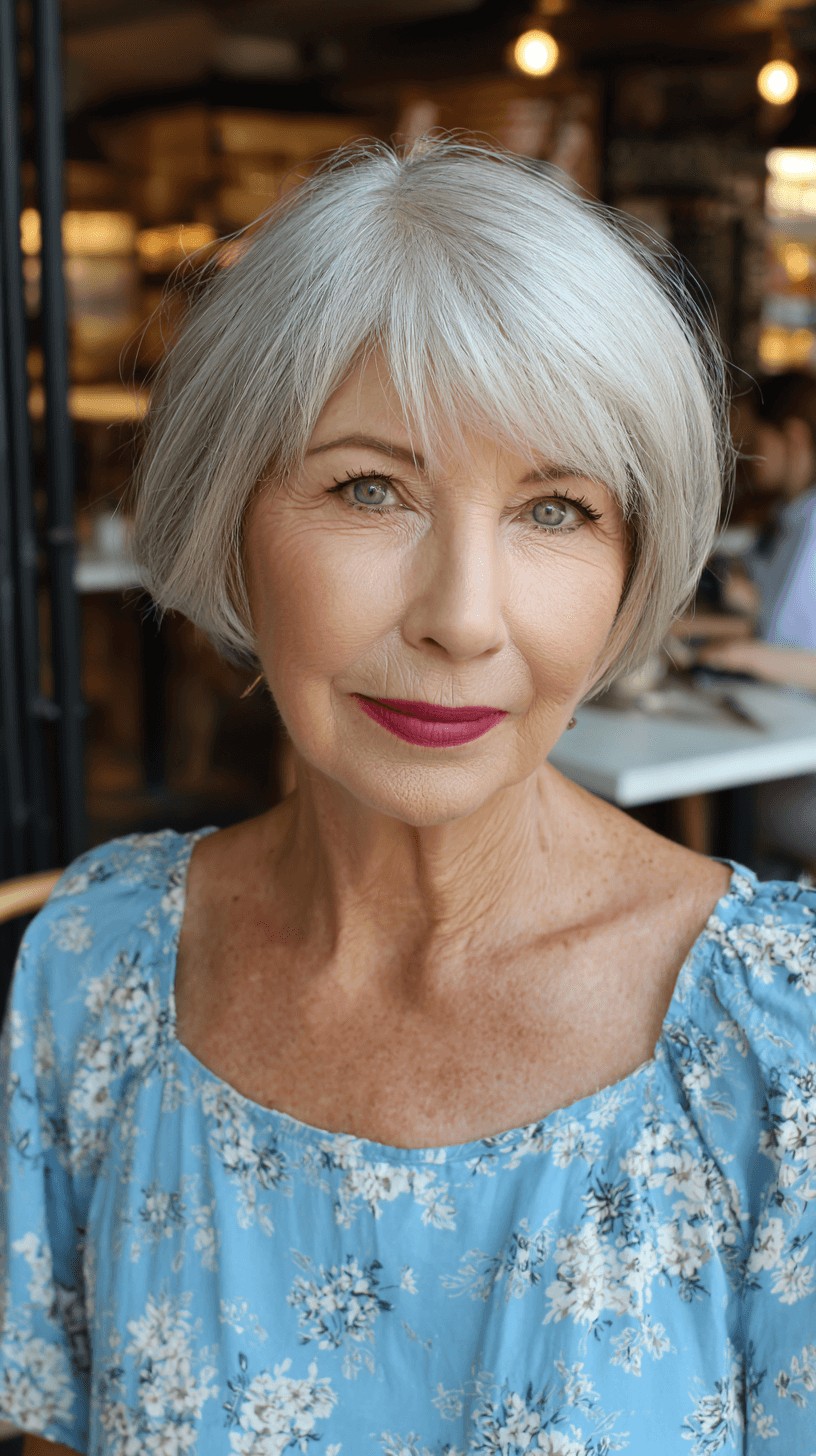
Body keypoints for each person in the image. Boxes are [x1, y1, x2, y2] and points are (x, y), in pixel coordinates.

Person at [1, 135, 814, 1456]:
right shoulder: (97, 972)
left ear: (632, 561)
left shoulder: (779, 1043)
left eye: (555, 509)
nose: (463, 617)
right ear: (232, 518)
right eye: (370, 488)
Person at [696, 369, 816, 869]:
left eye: (754, 439)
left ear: (794, 437)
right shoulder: (792, 517)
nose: (746, 454)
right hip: (787, 733)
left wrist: (746, 655)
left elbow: (778, 642)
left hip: (799, 768)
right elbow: (771, 623)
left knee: (721, 797)